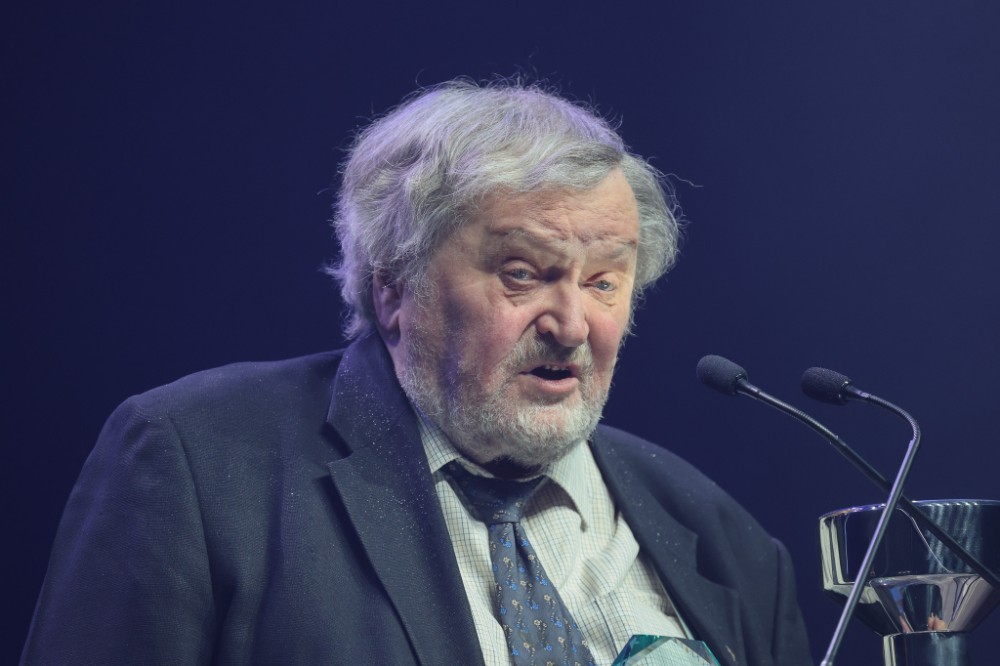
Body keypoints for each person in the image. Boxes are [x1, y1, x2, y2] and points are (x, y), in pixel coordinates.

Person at [21, 79, 812, 665]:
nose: (573, 324)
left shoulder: (727, 542)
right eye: (522, 273)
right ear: (394, 287)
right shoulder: (199, 464)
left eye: (605, 281)